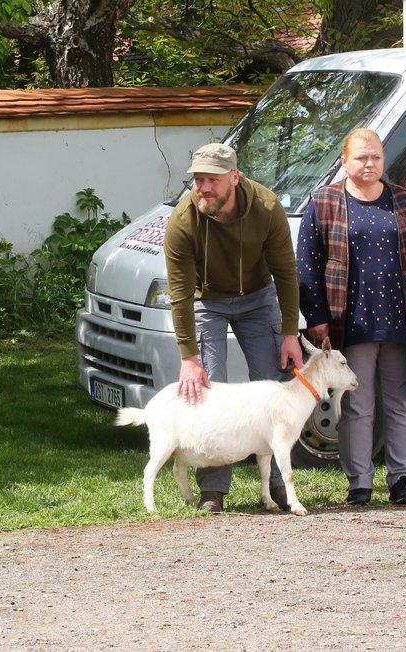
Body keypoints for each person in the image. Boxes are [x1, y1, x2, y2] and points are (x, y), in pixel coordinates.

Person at [297, 127, 406, 507]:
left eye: (376, 157)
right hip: (353, 322)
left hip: (402, 318)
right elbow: (307, 265)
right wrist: (315, 316)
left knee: (401, 402)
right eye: (361, 157)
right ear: (344, 161)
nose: (369, 164)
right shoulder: (324, 201)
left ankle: (401, 480)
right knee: (359, 405)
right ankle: (359, 484)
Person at [163, 142, 303, 513]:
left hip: (258, 299)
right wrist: (189, 358)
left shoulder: (267, 207)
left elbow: (286, 273)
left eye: (211, 180)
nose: (203, 188)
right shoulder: (182, 221)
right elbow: (179, 294)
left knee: (273, 388)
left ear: (234, 178)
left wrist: (290, 332)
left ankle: (278, 487)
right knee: (209, 391)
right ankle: (214, 489)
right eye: (198, 180)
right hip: (207, 300)